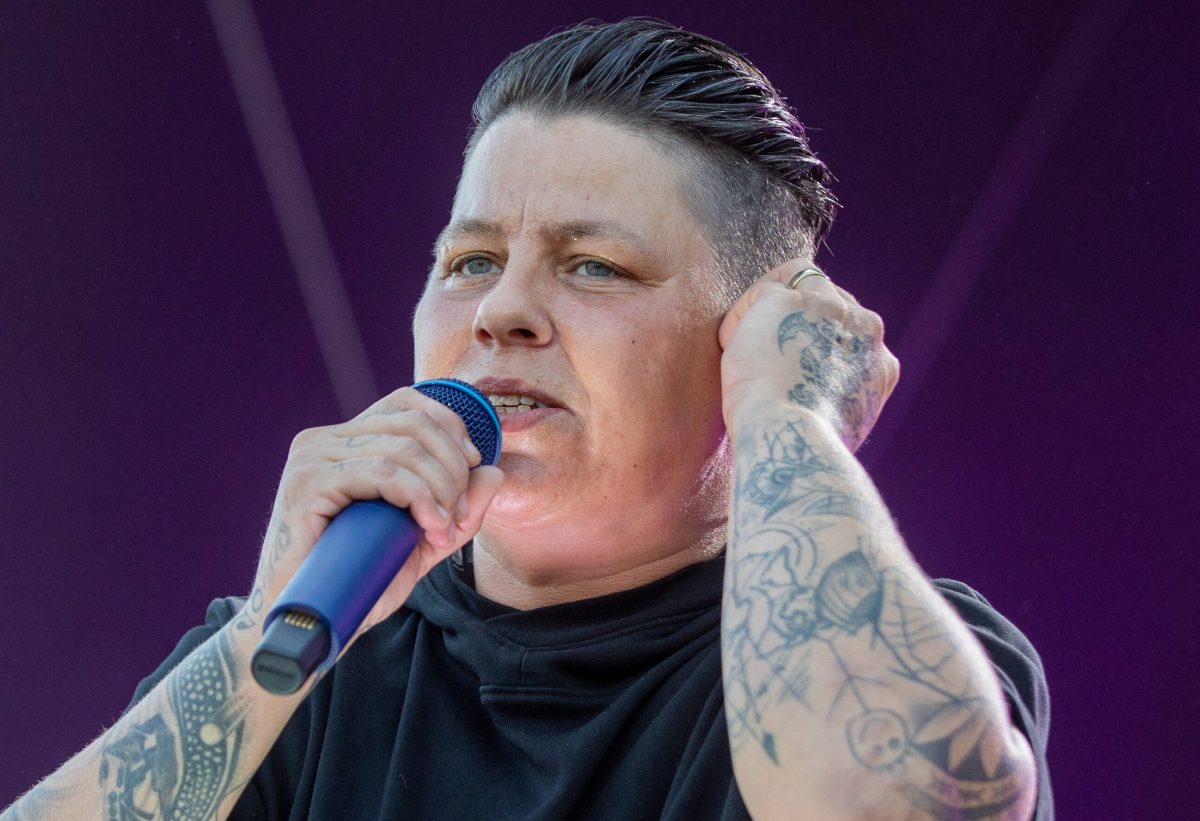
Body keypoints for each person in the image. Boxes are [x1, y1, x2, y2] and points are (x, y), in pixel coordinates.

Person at [3, 18, 1051, 821]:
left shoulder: (902, 645)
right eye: (470, 261)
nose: (500, 309)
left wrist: (793, 418)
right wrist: (255, 639)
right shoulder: (302, 654)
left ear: (749, 336)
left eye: (593, 265)